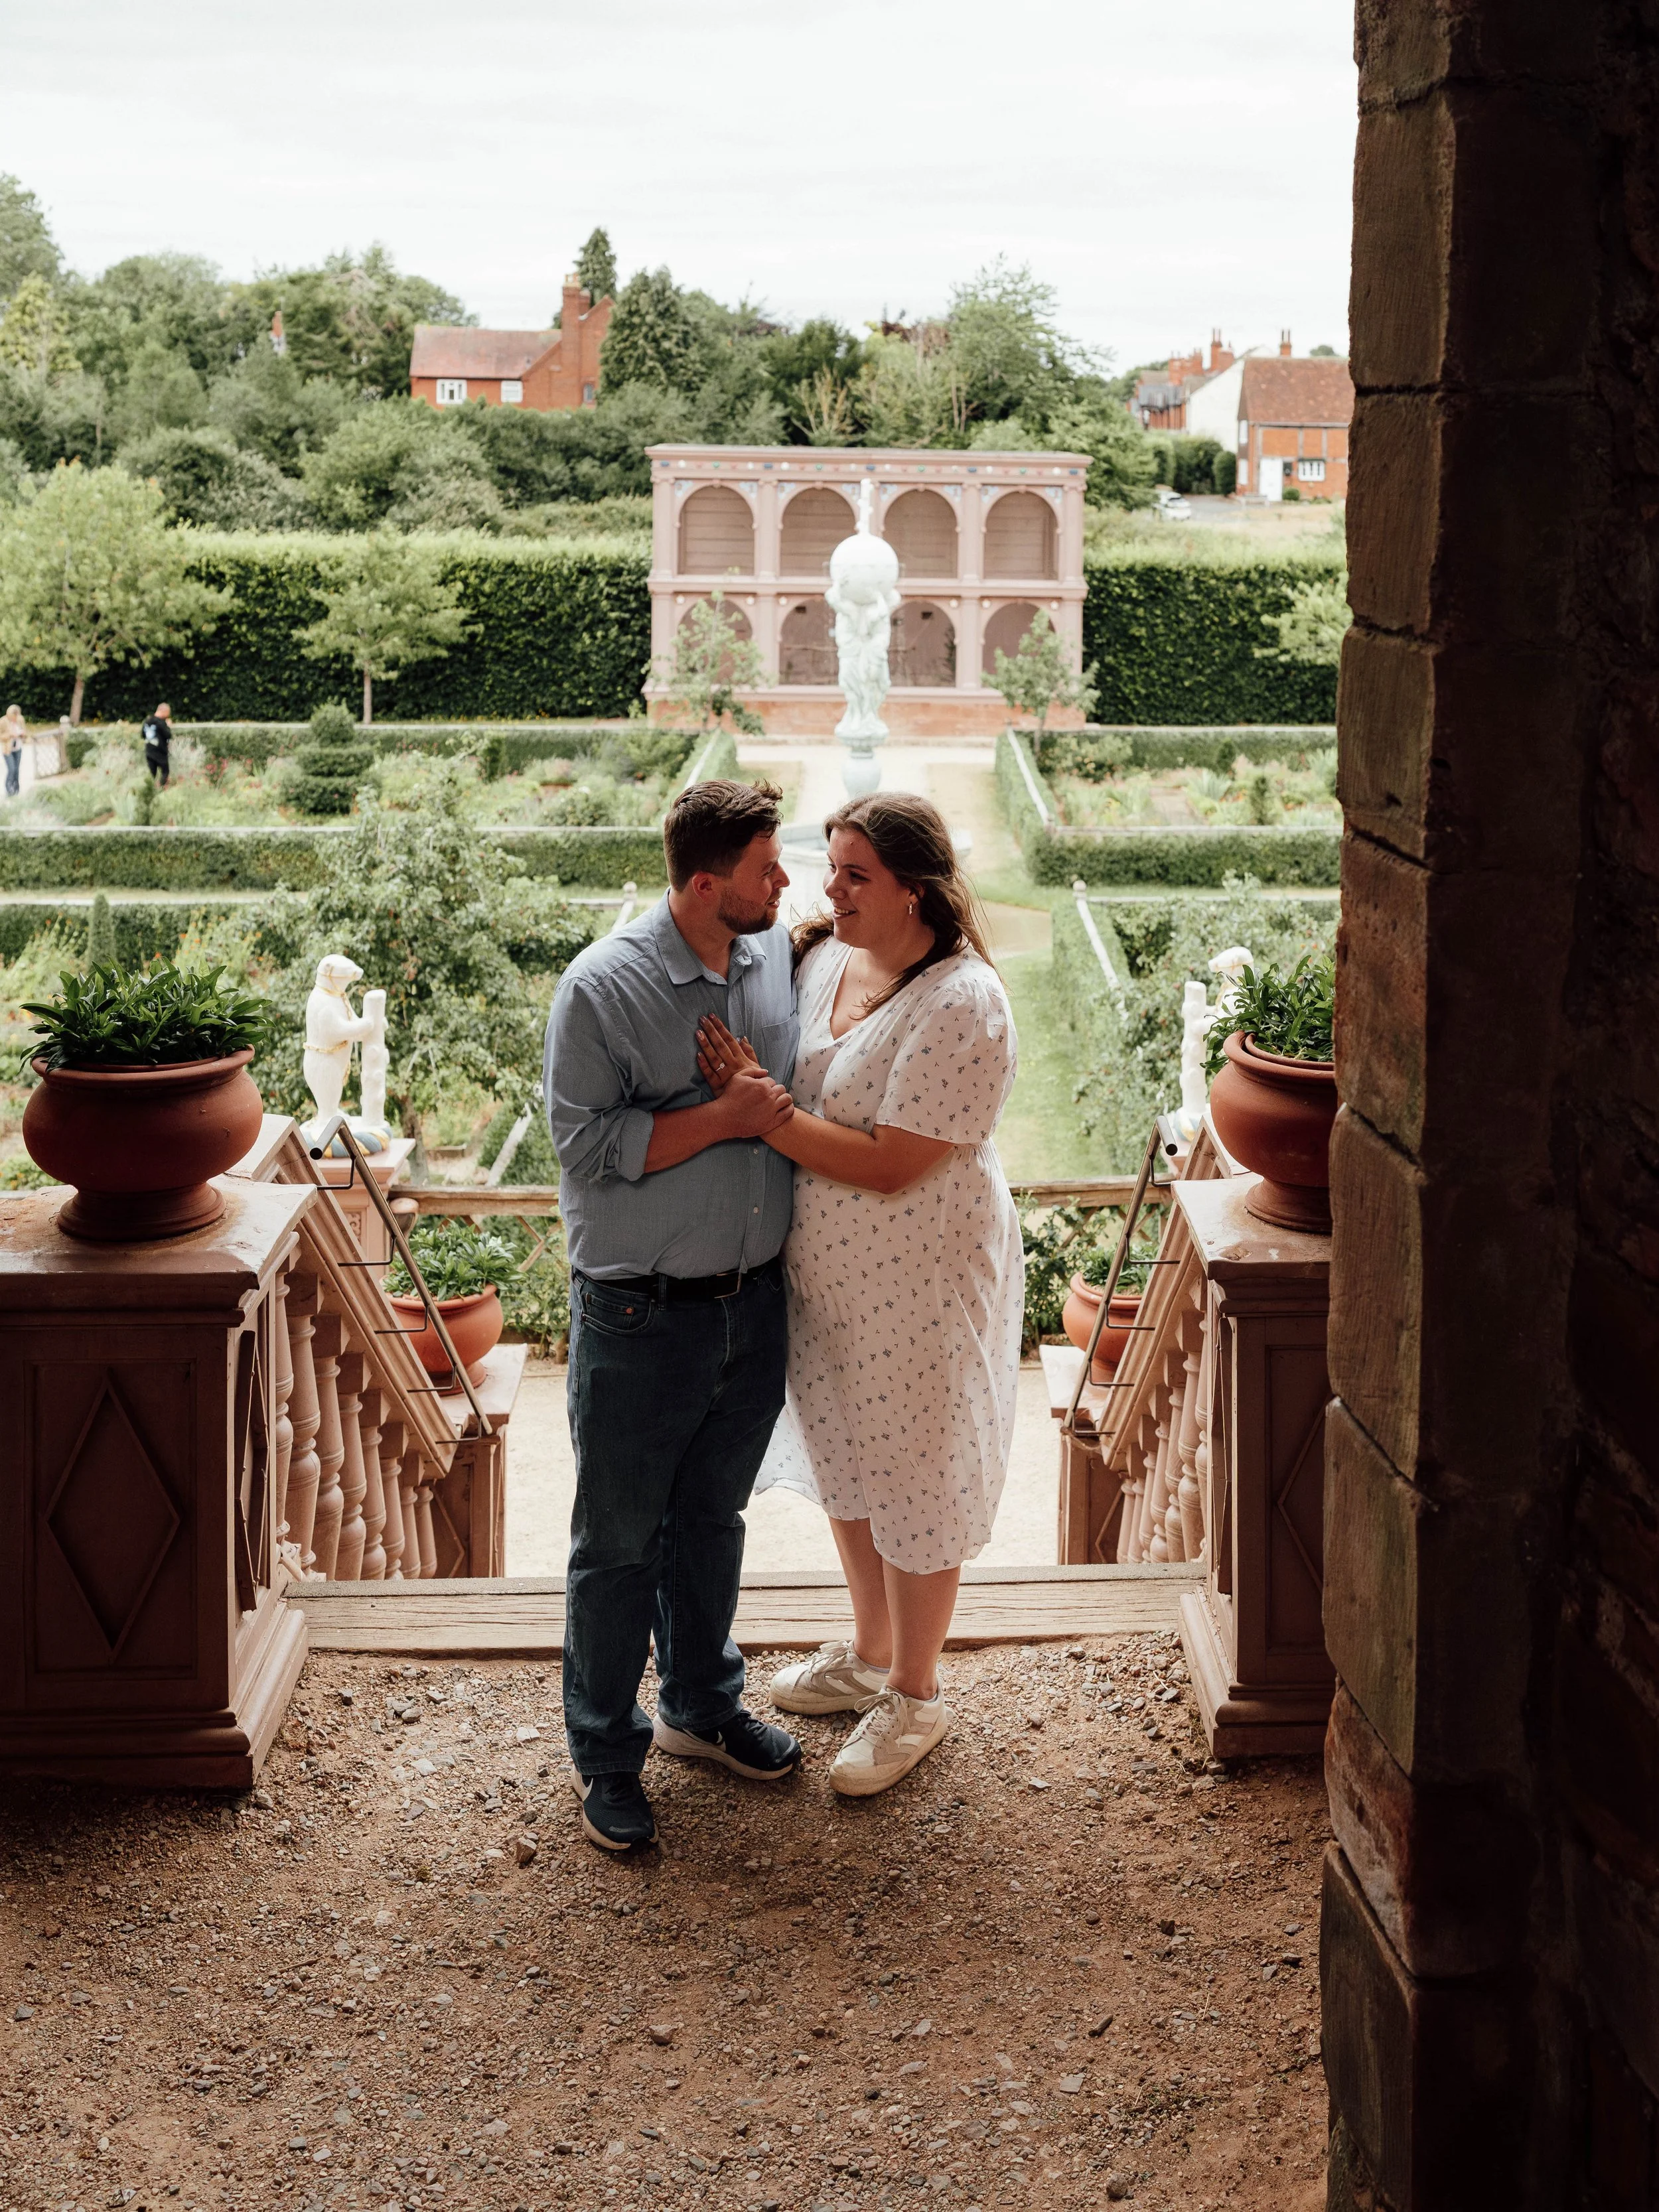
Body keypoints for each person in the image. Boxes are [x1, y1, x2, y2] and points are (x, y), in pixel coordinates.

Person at [696, 793, 1023, 1798]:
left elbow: (892, 1164)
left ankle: (916, 1692)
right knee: (845, 1449)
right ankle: (872, 1650)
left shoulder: (965, 1003)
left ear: (914, 888)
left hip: (922, 1282)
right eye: (827, 865)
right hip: (829, 1279)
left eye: (854, 875)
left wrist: (764, 1115)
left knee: (918, 1466)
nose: (825, 888)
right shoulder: (825, 958)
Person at [543, 778, 806, 1853]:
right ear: (707, 885)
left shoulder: (774, 958)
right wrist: (726, 1114)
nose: (784, 881)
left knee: (713, 1522)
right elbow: (588, 1147)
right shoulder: (601, 990)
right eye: (766, 869)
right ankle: (607, 1753)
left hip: (752, 1309)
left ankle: (702, 1703)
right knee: (615, 1545)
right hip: (640, 1317)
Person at [141, 703, 172, 788]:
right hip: (160, 752)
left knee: (152, 775)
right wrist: (168, 726)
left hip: (149, 752)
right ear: (164, 711)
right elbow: (168, 735)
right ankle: (159, 788)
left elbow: (143, 735)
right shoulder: (161, 722)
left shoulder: (147, 721)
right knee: (165, 772)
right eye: (168, 713)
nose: (168, 716)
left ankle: (150, 790)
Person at [1, 706, 24, 799]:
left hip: (18, 748)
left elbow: (25, 732)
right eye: (14, 716)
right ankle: (9, 789)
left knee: (17, 770)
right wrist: (10, 735)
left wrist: (22, 734)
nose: (15, 718)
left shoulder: (20, 720)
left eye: (16, 715)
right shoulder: (3, 721)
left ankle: (16, 789)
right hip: (8, 750)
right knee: (12, 769)